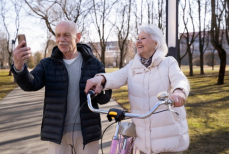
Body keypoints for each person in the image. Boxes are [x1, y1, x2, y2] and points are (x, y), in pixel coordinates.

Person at [85, 25, 190, 154]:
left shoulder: (168, 63)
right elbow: (116, 77)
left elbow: (180, 79)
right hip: (143, 140)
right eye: (138, 38)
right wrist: (100, 79)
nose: (138, 41)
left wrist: (179, 91)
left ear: (156, 43)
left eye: (143, 38)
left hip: (168, 139)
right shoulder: (133, 66)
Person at [11, 20, 112, 154]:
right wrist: (19, 67)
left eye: (66, 35)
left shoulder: (94, 64)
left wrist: (99, 92)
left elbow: (105, 98)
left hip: (87, 133)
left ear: (78, 37)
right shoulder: (47, 64)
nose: (61, 39)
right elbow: (31, 84)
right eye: (58, 35)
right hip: (57, 133)